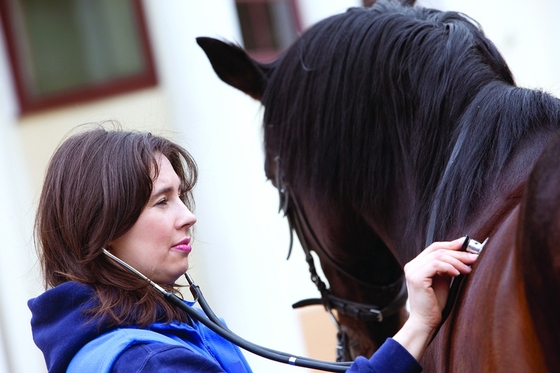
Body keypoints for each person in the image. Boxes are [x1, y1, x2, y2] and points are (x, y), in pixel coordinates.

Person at [28, 126, 479, 373]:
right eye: (162, 201)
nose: (188, 216)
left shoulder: (110, 347)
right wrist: (417, 325)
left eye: (182, 197)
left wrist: (417, 325)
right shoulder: (150, 362)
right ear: (102, 232)